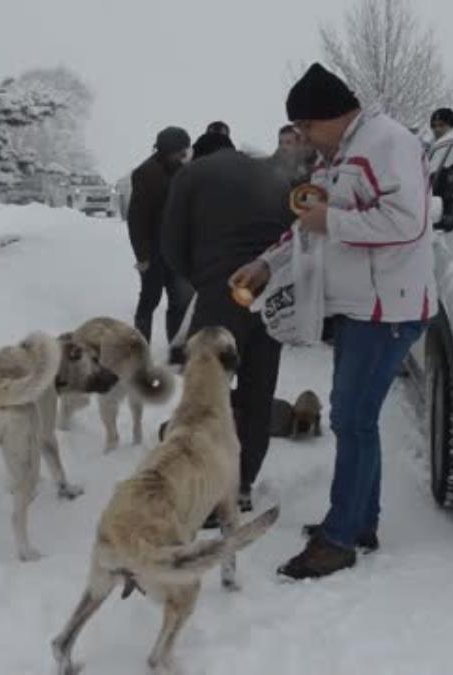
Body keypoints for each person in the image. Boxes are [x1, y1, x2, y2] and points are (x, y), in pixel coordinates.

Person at [230, 63, 437, 580]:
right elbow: (308, 228)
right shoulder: (338, 156)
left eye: (304, 129)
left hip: (387, 309)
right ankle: (358, 522)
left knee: (352, 420)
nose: (302, 140)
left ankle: (340, 538)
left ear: (326, 117)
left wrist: (334, 221)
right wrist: (264, 263)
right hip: (357, 308)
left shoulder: (388, 143)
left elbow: (408, 220)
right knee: (356, 419)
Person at [161, 130, 294, 518]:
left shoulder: (192, 175)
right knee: (259, 389)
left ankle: (203, 485)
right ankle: (243, 484)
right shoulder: (270, 173)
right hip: (268, 292)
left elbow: (171, 242)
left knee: (205, 394)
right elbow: (291, 233)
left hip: (221, 293)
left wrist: (203, 280)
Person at [128, 126, 194, 344]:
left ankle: (176, 349)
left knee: (180, 302)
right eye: (180, 152)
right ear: (167, 150)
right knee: (149, 301)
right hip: (153, 252)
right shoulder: (145, 173)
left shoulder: (184, 170)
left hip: (176, 252)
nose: (184, 156)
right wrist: (143, 257)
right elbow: (137, 220)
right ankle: (140, 348)